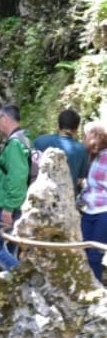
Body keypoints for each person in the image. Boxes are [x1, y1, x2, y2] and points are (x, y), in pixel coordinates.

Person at [0, 105, 30, 272]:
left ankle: (21, 277)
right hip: (14, 202)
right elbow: (7, 174)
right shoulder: (21, 140)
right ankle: (11, 282)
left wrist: (8, 208)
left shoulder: (15, 144)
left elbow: (17, 177)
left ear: (5, 118)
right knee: (10, 245)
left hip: (9, 205)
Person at [34, 109, 89, 195]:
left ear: (58, 126)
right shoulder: (81, 150)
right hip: (67, 199)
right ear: (76, 129)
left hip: (42, 197)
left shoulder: (39, 141)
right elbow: (79, 180)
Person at [79, 121, 107, 281]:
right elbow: (91, 185)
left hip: (104, 212)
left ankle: (95, 293)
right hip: (89, 211)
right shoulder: (93, 157)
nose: (83, 138)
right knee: (82, 250)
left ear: (95, 136)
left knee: (95, 255)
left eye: (86, 134)